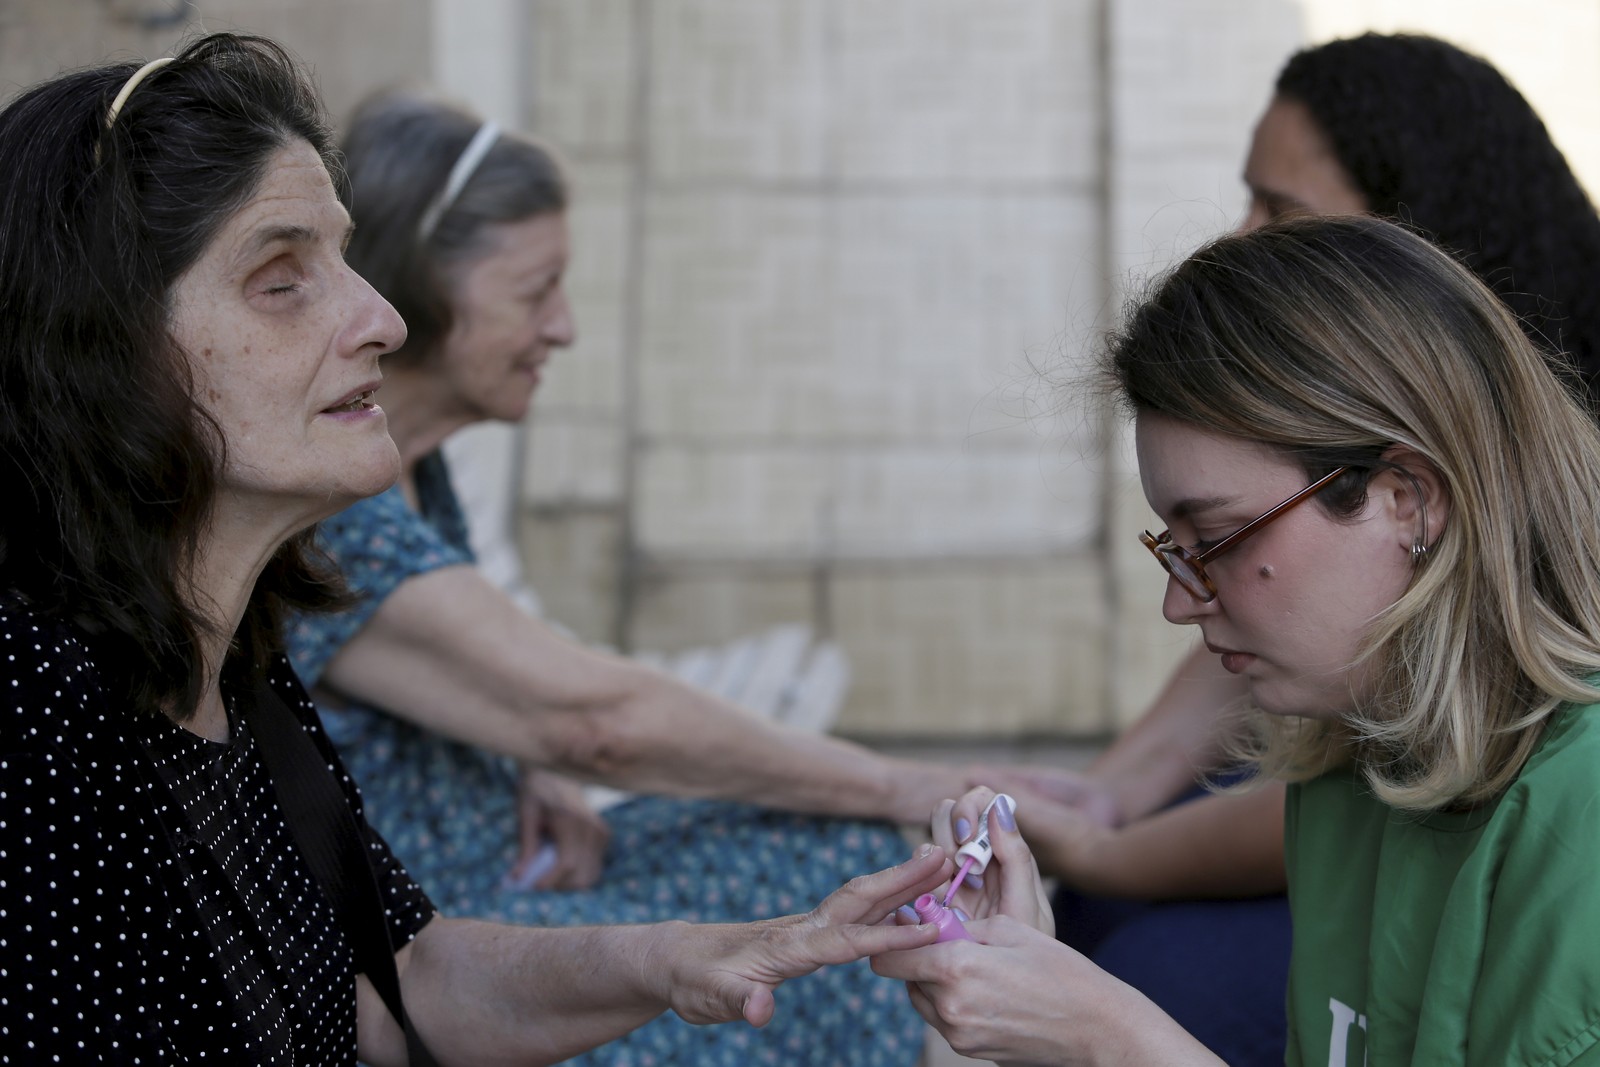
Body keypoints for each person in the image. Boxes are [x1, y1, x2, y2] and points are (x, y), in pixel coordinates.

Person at [0, 34, 958, 1063]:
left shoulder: (234, 665)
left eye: (346, 259)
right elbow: (591, 720)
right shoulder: (34, 721)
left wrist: (692, 961)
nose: (380, 317)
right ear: (95, 347)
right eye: (281, 279)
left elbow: (405, 978)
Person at [277, 89, 970, 1064]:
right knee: (827, 912)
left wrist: (531, 760)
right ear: (425, 288)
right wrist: (911, 778)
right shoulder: (337, 504)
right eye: (535, 290)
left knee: (845, 856)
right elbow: (596, 719)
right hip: (435, 936)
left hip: (519, 865)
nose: (561, 327)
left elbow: (516, 702)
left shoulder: (414, 459)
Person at [975, 33, 1600, 1066]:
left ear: (1407, 499)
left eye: (1215, 539)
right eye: (1171, 545)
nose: (1181, 603)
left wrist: (1113, 1036)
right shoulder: (1348, 767)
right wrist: (1071, 830)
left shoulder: (1575, 824)